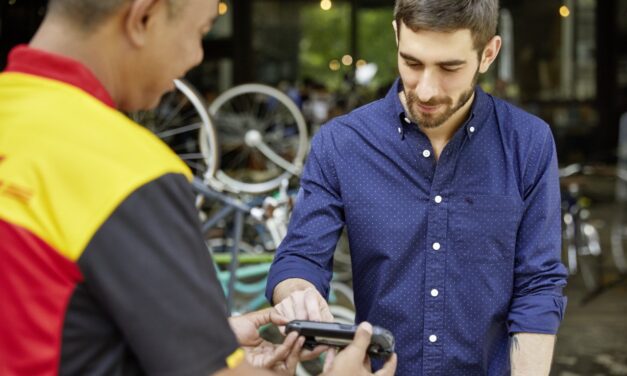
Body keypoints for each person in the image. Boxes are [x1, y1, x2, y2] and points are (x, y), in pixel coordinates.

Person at [0, 1, 397, 375]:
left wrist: (214, 335)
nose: (196, 57)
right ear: (143, 17)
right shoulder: (128, 169)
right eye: (200, 31)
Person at [266, 0, 568, 375]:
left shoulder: (528, 143)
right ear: (396, 35)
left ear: (488, 53)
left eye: (449, 67)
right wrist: (299, 293)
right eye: (412, 63)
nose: (425, 90)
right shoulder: (341, 143)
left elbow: (538, 285)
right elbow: (301, 256)